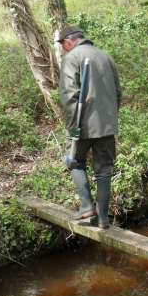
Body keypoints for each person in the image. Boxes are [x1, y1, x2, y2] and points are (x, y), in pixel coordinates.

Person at [56, 25, 121, 229]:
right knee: (104, 171)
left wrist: (72, 126)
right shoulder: (105, 57)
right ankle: (103, 218)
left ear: (68, 42)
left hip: (81, 124)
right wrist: (110, 118)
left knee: (74, 161)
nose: (64, 50)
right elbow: (118, 92)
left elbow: (68, 95)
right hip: (107, 125)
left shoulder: (72, 57)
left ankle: (86, 207)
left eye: (63, 46)